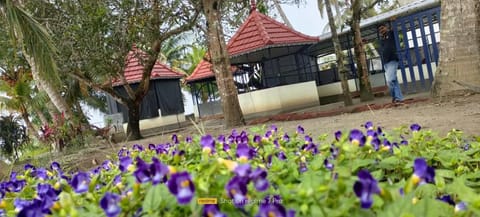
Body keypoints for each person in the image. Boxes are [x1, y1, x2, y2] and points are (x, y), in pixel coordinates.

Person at [378, 22, 404, 104]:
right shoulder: (382, 39)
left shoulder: (391, 34)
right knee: (394, 81)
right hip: (386, 63)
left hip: (392, 60)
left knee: (390, 81)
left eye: (382, 28)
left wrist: (392, 21)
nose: (381, 30)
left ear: (386, 27)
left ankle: (394, 97)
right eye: (379, 30)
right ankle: (399, 99)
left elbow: (393, 28)